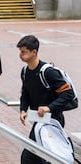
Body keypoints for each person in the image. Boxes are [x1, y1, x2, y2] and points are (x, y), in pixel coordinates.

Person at [17, 35, 75, 163]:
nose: (20, 55)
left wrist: (49, 108)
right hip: (38, 118)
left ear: (34, 52)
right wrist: (23, 110)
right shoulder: (25, 71)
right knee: (33, 156)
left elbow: (68, 93)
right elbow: (25, 93)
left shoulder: (48, 72)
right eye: (20, 52)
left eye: (23, 52)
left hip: (52, 119)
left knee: (34, 157)